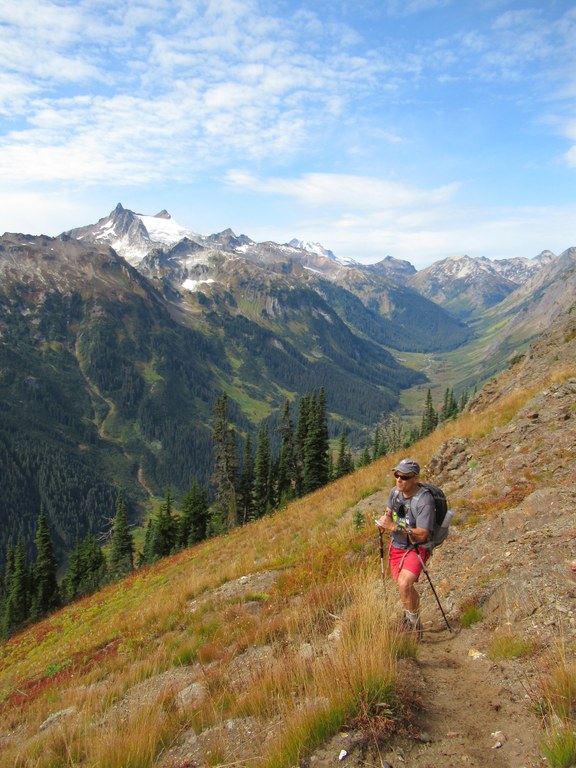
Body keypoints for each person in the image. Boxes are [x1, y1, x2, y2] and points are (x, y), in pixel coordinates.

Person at [376, 458, 435, 638]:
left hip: (418, 547)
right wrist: (384, 520)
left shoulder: (425, 501)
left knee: (404, 583)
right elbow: (389, 510)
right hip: (397, 545)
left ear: (415, 479)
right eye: (397, 475)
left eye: (405, 477)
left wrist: (394, 527)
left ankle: (413, 626)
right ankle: (413, 617)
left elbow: (423, 533)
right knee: (404, 586)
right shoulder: (395, 493)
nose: (399, 479)